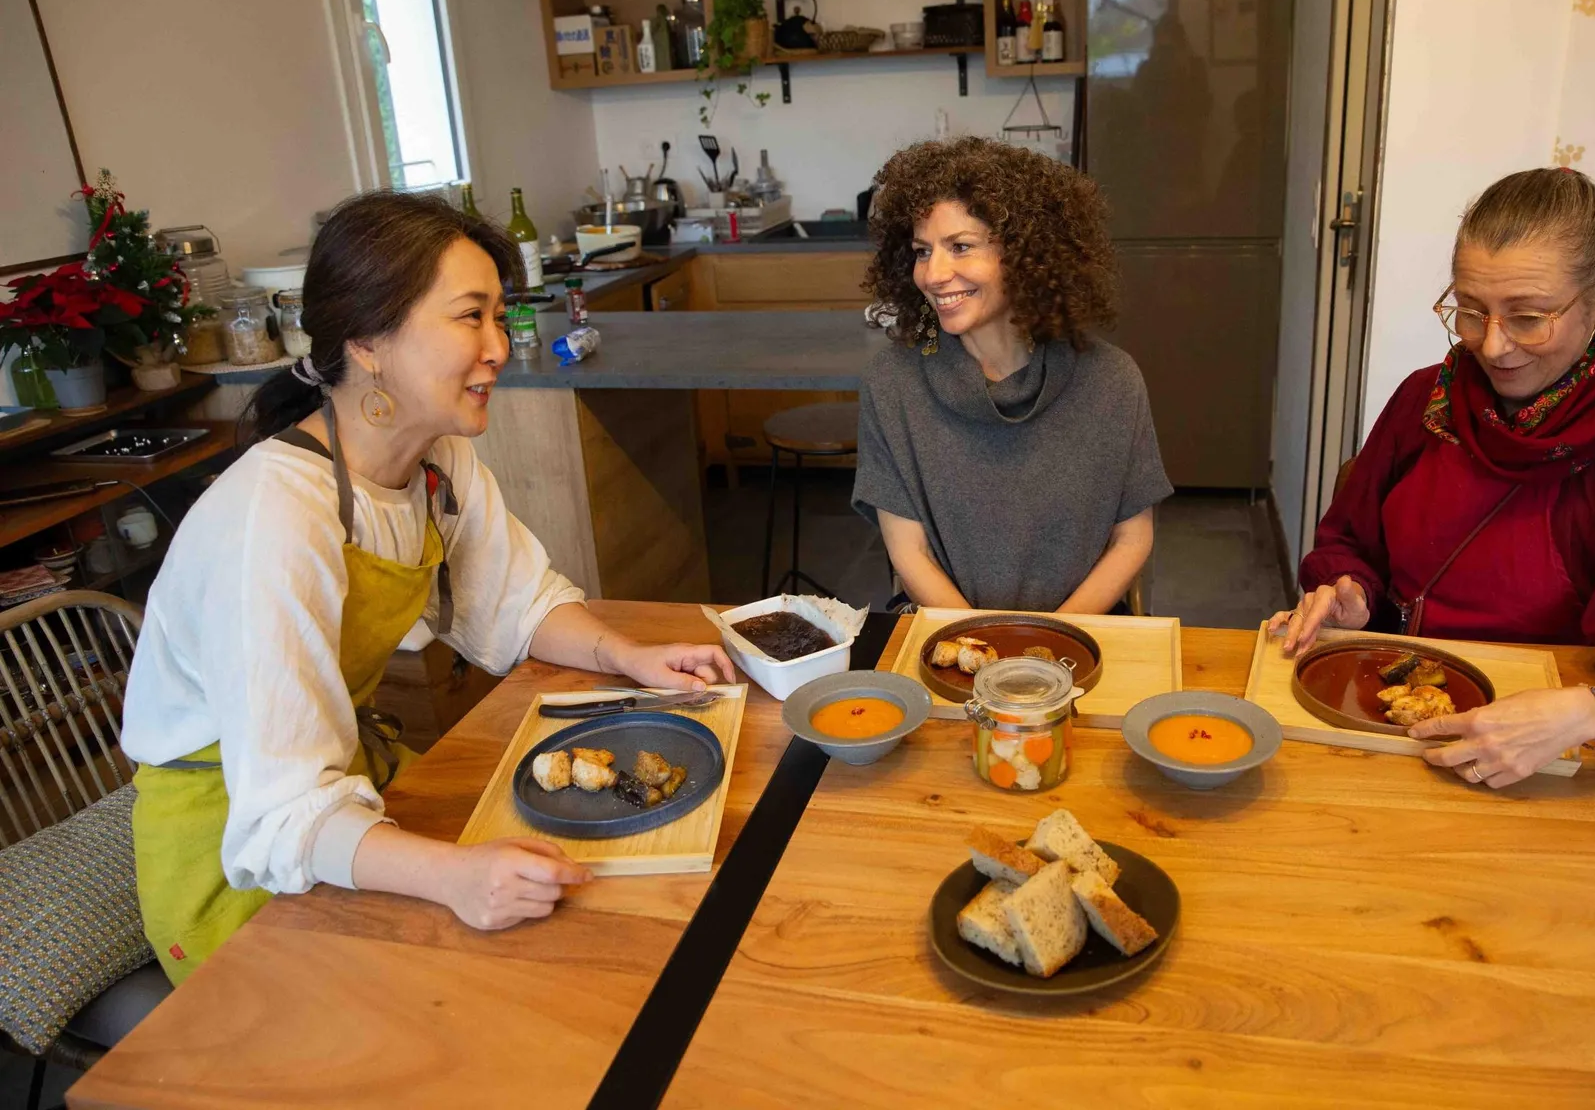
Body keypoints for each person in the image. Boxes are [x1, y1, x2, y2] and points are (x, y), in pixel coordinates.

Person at [123, 191, 733, 983]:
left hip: (349, 788)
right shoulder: (273, 519)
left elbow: (517, 603)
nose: (499, 347)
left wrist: (631, 656)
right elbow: (276, 815)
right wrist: (454, 876)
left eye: (498, 315)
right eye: (469, 316)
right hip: (243, 854)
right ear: (370, 341)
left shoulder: (438, 465)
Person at [1271, 168, 1595, 786]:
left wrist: (1591, 712)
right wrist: (1351, 591)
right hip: (1387, 716)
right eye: (1471, 311)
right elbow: (1351, 542)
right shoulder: (1422, 399)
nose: (1493, 347)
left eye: (1529, 317)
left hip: (1543, 752)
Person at [852, 137, 1173, 613]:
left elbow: (1132, 538)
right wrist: (984, 650)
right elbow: (909, 553)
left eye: (961, 246)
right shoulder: (893, 383)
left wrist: (1046, 645)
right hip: (948, 634)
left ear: (1029, 255)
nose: (934, 274)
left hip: (1080, 636)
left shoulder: (1111, 381)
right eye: (922, 251)